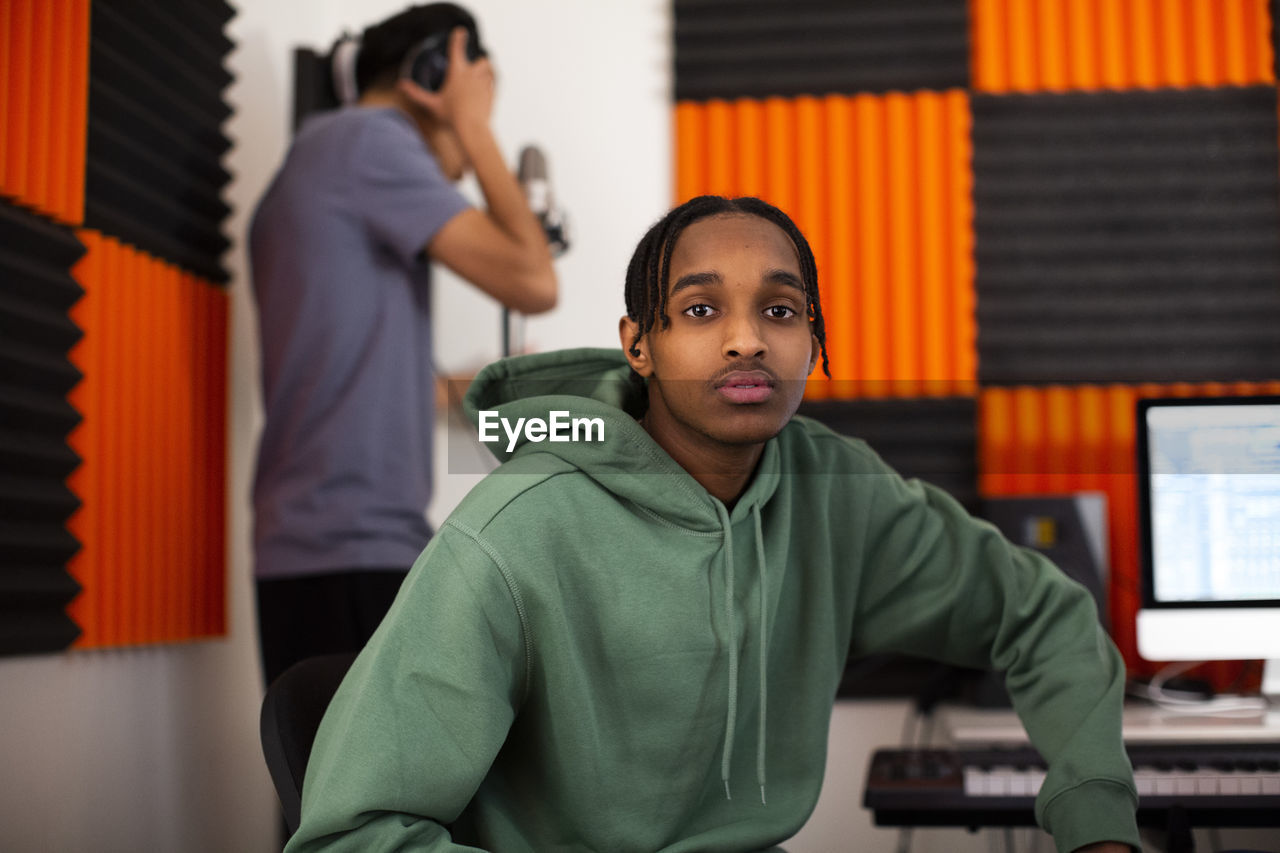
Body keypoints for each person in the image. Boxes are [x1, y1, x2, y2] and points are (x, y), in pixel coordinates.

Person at [284, 196, 1139, 852]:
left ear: (813, 337)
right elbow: (350, 834)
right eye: (700, 310)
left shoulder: (838, 491)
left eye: (780, 310)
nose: (746, 340)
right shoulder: (512, 534)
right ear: (638, 344)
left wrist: (1096, 821)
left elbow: (1041, 613)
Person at [248, 3, 557, 687]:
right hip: (348, 548)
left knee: (339, 789)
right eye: (478, 93)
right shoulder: (368, 142)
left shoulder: (334, 156)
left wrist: (459, 388)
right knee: (373, 792)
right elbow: (534, 279)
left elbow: (340, 365)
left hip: (328, 545)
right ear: (432, 74)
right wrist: (477, 131)